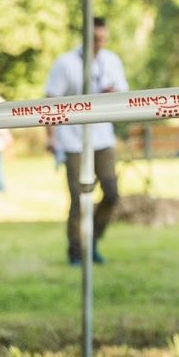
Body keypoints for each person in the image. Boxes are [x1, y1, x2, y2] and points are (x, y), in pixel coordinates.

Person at [45, 16, 129, 265]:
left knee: (112, 193)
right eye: (95, 38)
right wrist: (50, 137)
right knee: (79, 196)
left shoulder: (112, 61)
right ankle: (75, 250)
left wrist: (114, 96)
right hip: (73, 140)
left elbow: (125, 95)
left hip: (102, 137)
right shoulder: (66, 63)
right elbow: (50, 101)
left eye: (103, 38)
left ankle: (92, 239)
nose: (99, 43)